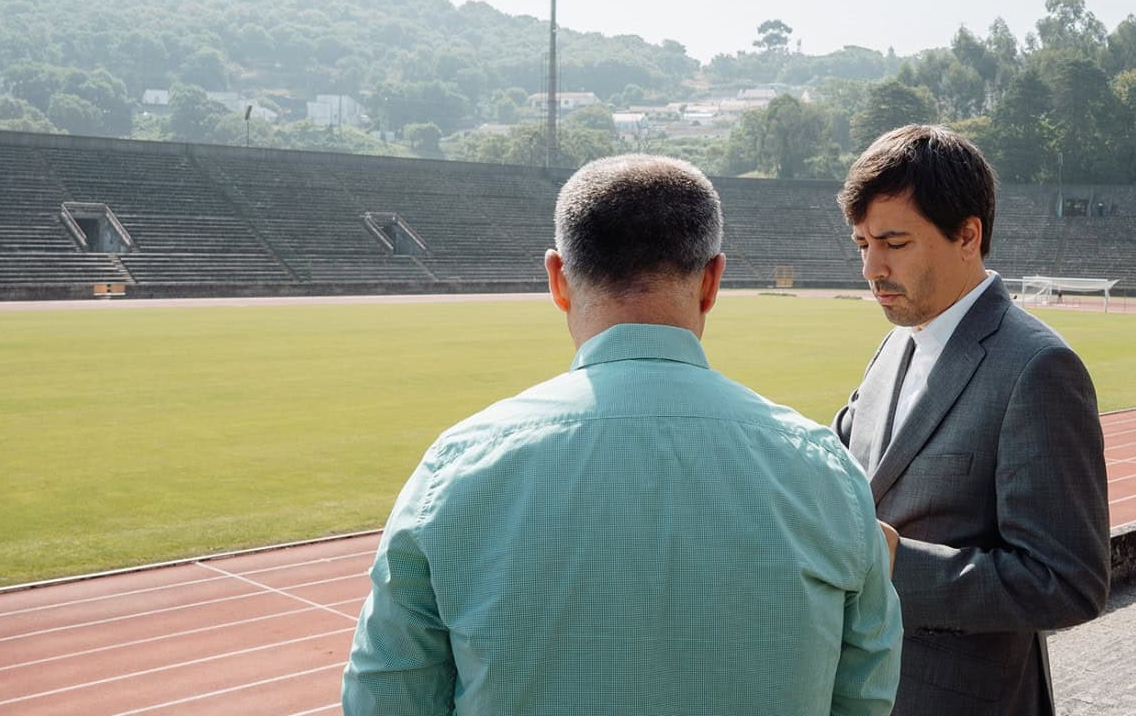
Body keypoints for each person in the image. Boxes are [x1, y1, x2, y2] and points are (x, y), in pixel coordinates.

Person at [343, 154, 902, 716]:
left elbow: (385, 697)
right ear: (712, 281)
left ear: (558, 279)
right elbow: (867, 698)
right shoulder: (823, 471)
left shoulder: (457, 469)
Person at [831, 125, 1110, 716]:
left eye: (894, 242)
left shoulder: (1038, 368)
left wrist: (897, 564)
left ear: (967, 234)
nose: (871, 268)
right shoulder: (894, 347)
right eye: (861, 244)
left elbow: (1068, 583)